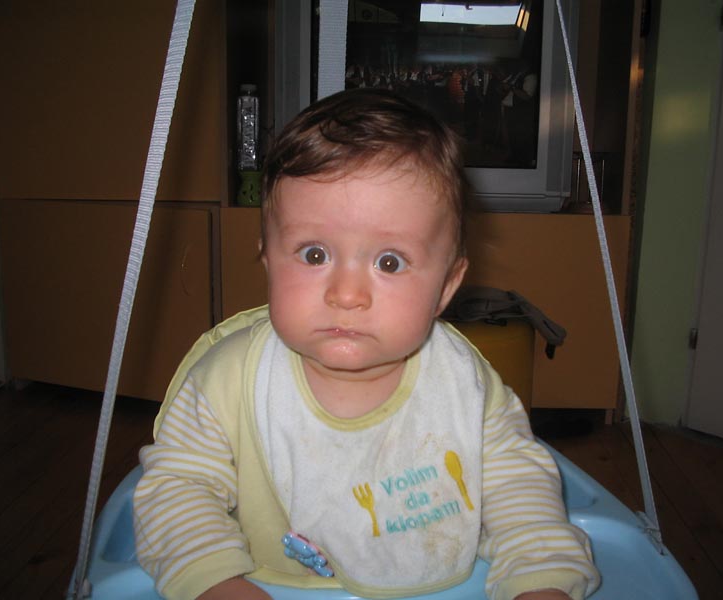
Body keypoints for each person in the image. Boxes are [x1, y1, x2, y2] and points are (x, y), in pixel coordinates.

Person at [133, 88, 600, 600]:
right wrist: (214, 580)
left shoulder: (461, 382)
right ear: (268, 261)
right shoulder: (229, 380)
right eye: (314, 255)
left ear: (446, 287)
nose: (347, 294)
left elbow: (519, 489)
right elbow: (177, 489)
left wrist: (541, 577)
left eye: (389, 262)